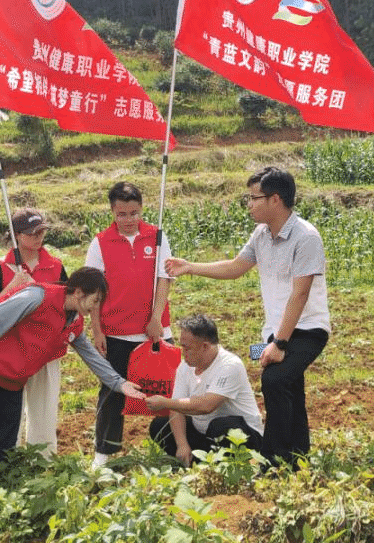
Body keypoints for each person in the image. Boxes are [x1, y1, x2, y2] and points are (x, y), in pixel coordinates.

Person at [165, 167, 330, 468]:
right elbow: (235, 267)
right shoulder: (261, 235)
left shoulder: (306, 237)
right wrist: (190, 267)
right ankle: (298, 457)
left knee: (275, 380)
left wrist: (280, 344)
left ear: (275, 199)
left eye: (254, 198)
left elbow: (300, 294)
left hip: (307, 330)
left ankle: (274, 458)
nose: (249, 205)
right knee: (290, 386)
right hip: (275, 331)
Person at [0, 267, 144, 478]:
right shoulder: (37, 297)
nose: (96, 307)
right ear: (78, 292)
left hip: (11, 382)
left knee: (2, 447)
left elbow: (91, 356)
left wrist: (119, 383)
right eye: (95, 300)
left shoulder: (73, 321)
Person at [84, 181, 173, 468]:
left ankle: (173, 445)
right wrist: (97, 330)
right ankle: (104, 452)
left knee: (167, 389)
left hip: (155, 331)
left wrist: (156, 319)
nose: (128, 220)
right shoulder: (100, 242)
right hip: (117, 332)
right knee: (112, 391)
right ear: (112, 212)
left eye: (134, 213)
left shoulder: (157, 237)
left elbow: (164, 279)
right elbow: (94, 291)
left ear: (142, 209)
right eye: (121, 214)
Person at [0, 208, 67, 456]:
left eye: (42, 232)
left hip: (45, 349)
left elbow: (66, 303)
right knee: (10, 411)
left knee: (45, 410)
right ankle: (12, 460)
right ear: (17, 235)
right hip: (11, 352)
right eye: (32, 233)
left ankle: (43, 459)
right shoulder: (1, 267)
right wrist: (12, 286)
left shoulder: (56, 266)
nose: (39, 237)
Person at [145, 314, 264, 467]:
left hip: (240, 435)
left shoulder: (230, 365)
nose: (183, 352)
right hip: (206, 434)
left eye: (187, 348)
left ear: (205, 346)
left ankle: (233, 465)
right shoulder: (185, 367)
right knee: (160, 425)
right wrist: (182, 444)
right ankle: (195, 462)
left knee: (221, 426)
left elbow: (207, 405)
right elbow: (176, 408)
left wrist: (165, 402)